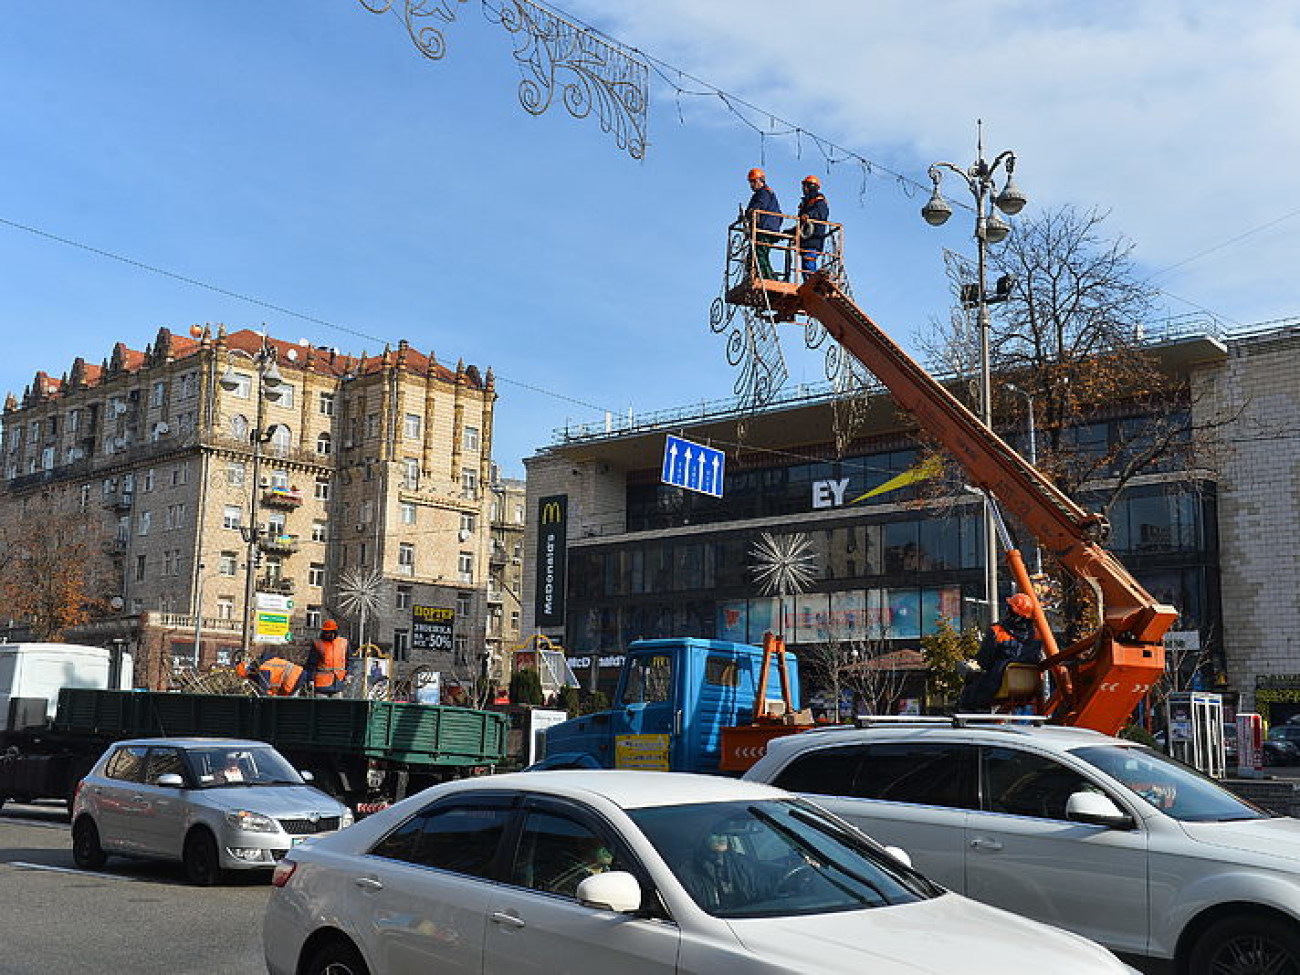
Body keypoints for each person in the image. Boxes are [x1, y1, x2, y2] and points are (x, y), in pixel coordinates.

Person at [957, 592, 1043, 712]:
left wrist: (973, 665)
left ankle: (970, 715)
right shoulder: (1037, 634)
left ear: (1012, 612)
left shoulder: (997, 631)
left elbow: (984, 660)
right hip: (1030, 686)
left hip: (998, 680)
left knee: (972, 687)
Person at [679, 826, 764, 912]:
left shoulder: (738, 863)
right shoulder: (688, 871)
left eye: (723, 832)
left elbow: (765, 879)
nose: (721, 836)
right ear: (702, 837)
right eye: (715, 832)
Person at [743, 167, 784, 280]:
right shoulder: (763, 193)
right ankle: (762, 275)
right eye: (750, 182)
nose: (751, 185)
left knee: (759, 255)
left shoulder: (764, 193)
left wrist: (749, 213)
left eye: (753, 181)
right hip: (767, 227)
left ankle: (767, 278)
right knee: (756, 256)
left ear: (760, 180)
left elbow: (760, 206)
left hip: (765, 229)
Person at [794, 174, 829, 277]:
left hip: (813, 240)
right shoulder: (806, 203)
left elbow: (821, 214)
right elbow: (802, 224)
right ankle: (811, 283)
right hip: (806, 241)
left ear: (812, 187)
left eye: (806, 186)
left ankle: (814, 284)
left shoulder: (819, 201)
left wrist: (809, 215)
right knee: (805, 269)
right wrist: (791, 232)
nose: (803, 189)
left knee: (809, 266)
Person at [305, 619, 350, 696]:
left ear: (334, 632)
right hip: (321, 685)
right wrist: (310, 679)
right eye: (326, 632)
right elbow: (311, 664)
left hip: (338, 683)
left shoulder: (343, 643)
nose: (327, 634)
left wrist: (349, 674)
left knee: (338, 707)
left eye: (329, 632)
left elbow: (350, 660)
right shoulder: (318, 644)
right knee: (322, 707)